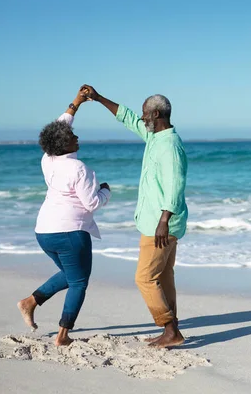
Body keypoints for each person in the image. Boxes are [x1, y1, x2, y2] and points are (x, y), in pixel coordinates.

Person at [80, 84, 187, 348]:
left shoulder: (169, 146)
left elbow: (175, 185)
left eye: (145, 115)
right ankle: (171, 329)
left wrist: (163, 220)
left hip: (160, 225)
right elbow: (126, 117)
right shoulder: (154, 137)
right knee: (163, 277)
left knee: (144, 277)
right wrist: (98, 98)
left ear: (157, 115)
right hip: (157, 221)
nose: (141, 118)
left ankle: (170, 329)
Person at [17, 91, 111, 346]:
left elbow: (61, 125)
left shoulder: (47, 159)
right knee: (79, 281)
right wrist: (105, 190)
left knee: (71, 275)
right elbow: (92, 203)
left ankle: (29, 302)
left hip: (44, 231)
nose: (76, 136)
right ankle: (62, 335)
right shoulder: (79, 168)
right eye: (72, 137)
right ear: (63, 144)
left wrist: (76, 104)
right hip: (71, 233)